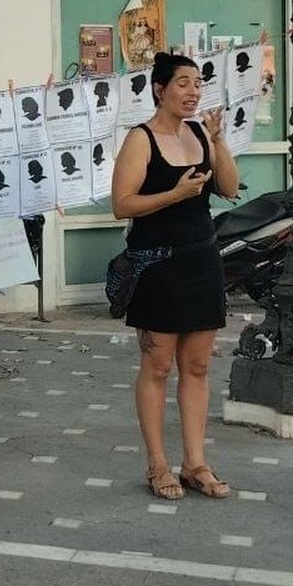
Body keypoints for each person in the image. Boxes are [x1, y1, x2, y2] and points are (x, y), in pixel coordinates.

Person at [111, 51, 239, 502]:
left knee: (198, 365)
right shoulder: (140, 140)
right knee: (158, 364)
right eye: (183, 83)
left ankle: (196, 463)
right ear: (160, 90)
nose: (193, 91)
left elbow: (228, 187)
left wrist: (218, 141)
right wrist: (174, 193)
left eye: (197, 83)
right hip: (157, 264)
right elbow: (122, 204)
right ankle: (157, 464)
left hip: (201, 260)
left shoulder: (201, 133)